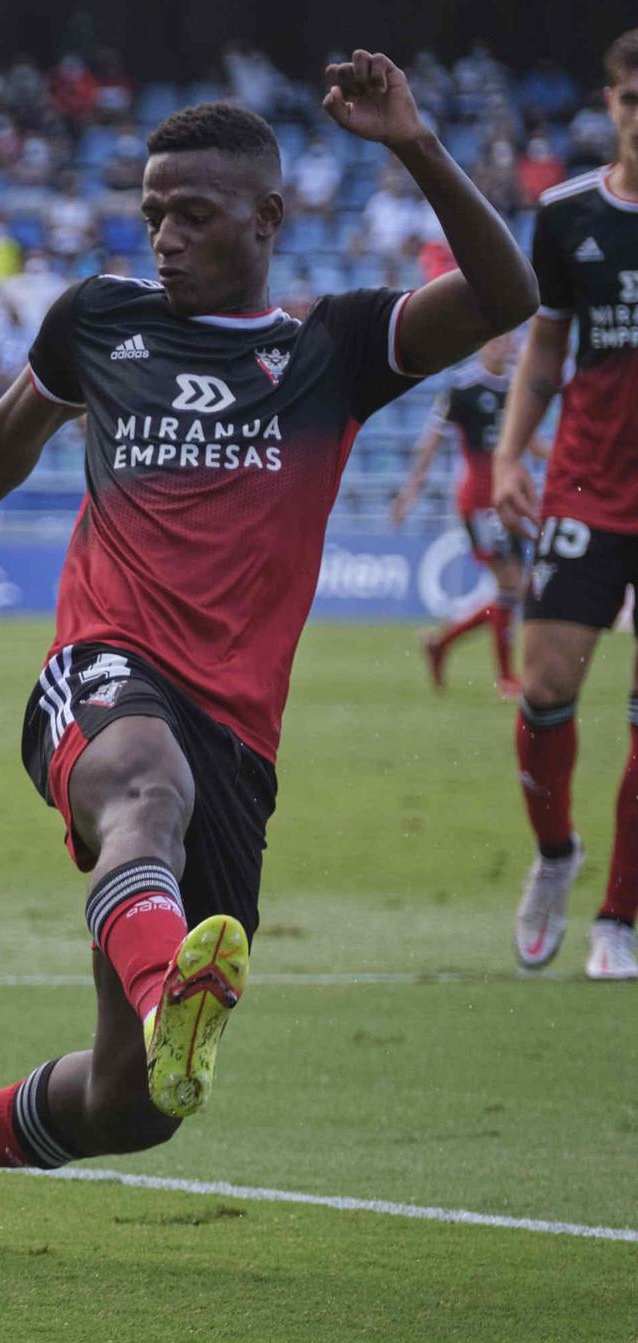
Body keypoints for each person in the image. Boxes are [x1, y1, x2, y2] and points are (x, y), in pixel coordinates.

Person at [0, 55, 535, 1248]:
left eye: (192, 214)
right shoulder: (96, 320)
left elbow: (505, 295)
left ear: (266, 219)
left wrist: (413, 146)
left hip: (237, 736)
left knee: (133, 1105)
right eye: (151, 211)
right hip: (99, 675)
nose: (161, 234)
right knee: (140, 785)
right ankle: (175, 986)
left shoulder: (334, 348)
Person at [492, 29, 638, 982]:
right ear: (612, 101)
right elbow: (544, 352)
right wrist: (510, 453)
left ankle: (620, 919)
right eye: (634, 97)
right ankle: (556, 858)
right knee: (544, 690)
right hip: (587, 482)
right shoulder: (567, 215)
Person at [389, 334, 542, 696]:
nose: (499, 347)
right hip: (479, 502)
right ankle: (506, 678)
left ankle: (442, 643)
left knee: (513, 588)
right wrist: (410, 492)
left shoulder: (517, 386)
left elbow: (528, 441)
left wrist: (566, 462)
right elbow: (431, 442)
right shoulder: (463, 388)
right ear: (483, 345)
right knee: (510, 584)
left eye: (505, 341)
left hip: (511, 497)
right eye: (494, 341)